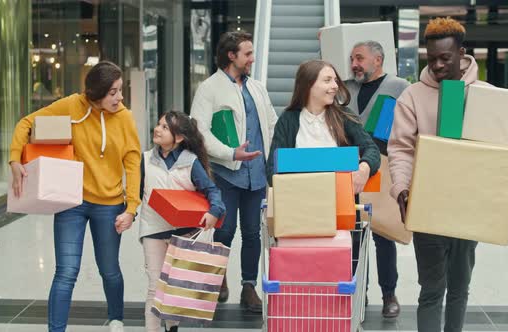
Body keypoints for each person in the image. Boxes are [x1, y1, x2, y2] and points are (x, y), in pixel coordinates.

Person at [388, 17, 508, 332]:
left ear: (462, 53)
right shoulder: (412, 96)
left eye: (445, 58)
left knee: (459, 288)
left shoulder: (486, 93)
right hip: (427, 206)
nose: (438, 65)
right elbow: (401, 149)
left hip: (470, 207)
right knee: (431, 290)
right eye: (432, 58)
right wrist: (401, 188)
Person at [9, 61, 141, 332]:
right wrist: (14, 160)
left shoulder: (125, 118)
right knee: (66, 272)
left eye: (120, 90)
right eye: (113, 92)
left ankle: (116, 318)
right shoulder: (72, 105)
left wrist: (131, 207)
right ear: (96, 94)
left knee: (109, 269)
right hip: (72, 202)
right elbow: (26, 123)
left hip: (110, 204)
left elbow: (132, 161)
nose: (120, 97)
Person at [190, 31, 278, 313]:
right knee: (225, 230)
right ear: (232, 56)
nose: (252, 59)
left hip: (257, 176)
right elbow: (199, 131)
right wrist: (230, 153)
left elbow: (273, 124)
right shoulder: (209, 88)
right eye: (248, 54)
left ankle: (249, 286)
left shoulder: (258, 88)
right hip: (226, 174)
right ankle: (218, 279)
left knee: (253, 233)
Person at [138, 111, 225, 332]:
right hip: (153, 230)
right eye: (158, 124)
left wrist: (214, 211)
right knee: (154, 286)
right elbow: (135, 193)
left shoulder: (190, 162)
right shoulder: (145, 159)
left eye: (165, 127)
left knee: (174, 287)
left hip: (183, 233)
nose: (157, 129)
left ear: (178, 137)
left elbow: (211, 190)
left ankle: (173, 328)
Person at [345, 40, 411, 318]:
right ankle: (357, 292)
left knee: (384, 236)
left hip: (382, 169)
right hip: (349, 172)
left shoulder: (400, 87)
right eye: (352, 59)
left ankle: (389, 294)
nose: (354, 64)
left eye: (359, 58)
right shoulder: (346, 87)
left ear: (378, 60)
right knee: (353, 236)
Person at [266, 59, 380, 201]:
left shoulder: (344, 116)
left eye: (335, 81)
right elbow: (272, 168)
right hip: (300, 207)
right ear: (308, 85)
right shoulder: (288, 119)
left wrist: (364, 169)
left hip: (341, 207)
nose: (335, 86)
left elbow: (372, 149)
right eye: (327, 80)